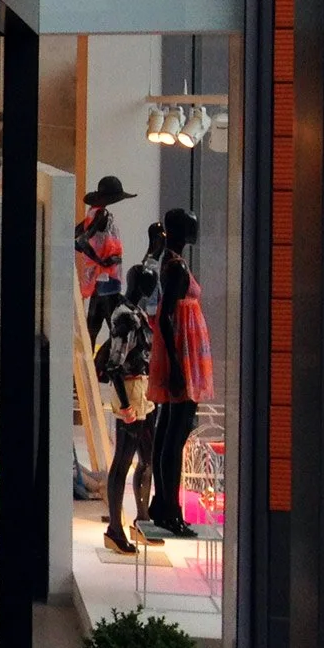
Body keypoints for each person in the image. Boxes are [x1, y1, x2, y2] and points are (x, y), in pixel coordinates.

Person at [143, 208, 213, 539]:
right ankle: (170, 509)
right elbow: (169, 316)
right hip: (182, 357)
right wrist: (176, 365)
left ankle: (164, 505)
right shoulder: (175, 267)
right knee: (175, 433)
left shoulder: (173, 263)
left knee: (170, 430)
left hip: (182, 355)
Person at [95, 265, 156, 554]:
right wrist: (126, 405)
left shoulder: (135, 314)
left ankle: (141, 519)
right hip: (131, 390)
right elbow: (114, 366)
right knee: (122, 461)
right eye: (147, 281)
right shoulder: (126, 318)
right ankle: (115, 529)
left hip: (142, 388)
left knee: (146, 457)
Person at [75, 175, 134, 342]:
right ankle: (111, 362)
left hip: (100, 277)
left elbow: (77, 240)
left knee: (94, 325)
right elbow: (81, 241)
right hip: (107, 276)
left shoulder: (92, 213)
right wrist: (101, 261)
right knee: (114, 322)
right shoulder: (101, 215)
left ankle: (92, 363)